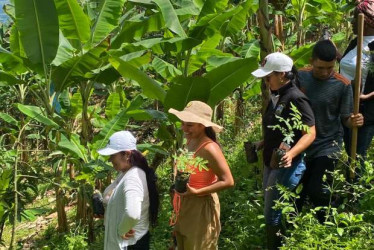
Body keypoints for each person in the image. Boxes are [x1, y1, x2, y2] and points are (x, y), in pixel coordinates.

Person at [251, 52, 316, 250]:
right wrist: (263, 142)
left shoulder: (296, 98)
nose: (265, 80)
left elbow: (310, 132)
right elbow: (283, 128)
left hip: (286, 163)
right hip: (271, 160)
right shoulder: (276, 96)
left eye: (268, 76)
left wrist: (291, 153)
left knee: (272, 212)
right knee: (269, 204)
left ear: (282, 74)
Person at [297, 40, 364, 222]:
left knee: (317, 189)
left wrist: (354, 120)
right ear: (311, 61)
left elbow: (345, 119)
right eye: (320, 68)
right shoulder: (300, 77)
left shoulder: (342, 84)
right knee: (297, 191)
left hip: (328, 144)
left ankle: (328, 224)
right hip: (301, 143)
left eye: (330, 67)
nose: (325, 72)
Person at [168, 101, 234, 250]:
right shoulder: (189, 142)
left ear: (202, 125)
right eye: (183, 123)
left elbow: (228, 180)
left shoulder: (210, 148)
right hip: (184, 206)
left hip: (201, 207)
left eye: (189, 125)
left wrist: (197, 192)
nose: (184, 128)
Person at [97, 130, 159, 250]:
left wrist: (122, 230)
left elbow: (132, 214)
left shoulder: (133, 177)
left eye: (113, 155)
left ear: (126, 154)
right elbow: (111, 195)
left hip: (131, 244)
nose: (110, 160)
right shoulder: (125, 173)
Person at [341, 0, 374, 174]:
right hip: (347, 107)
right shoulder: (356, 42)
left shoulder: (373, 46)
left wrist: (366, 96)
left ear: (367, 21)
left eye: (355, 18)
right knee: (349, 153)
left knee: (357, 155)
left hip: (365, 111)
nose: (352, 22)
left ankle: (356, 196)